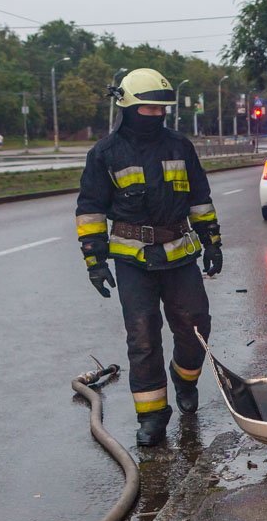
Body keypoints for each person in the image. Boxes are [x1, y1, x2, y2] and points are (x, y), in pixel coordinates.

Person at [74, 68, 224, 446]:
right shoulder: (104, 154)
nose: (157, 115)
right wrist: (95, 262)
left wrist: (212, 242)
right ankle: (153, 416)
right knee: (142, 338)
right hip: (133, 262)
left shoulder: (180, 147)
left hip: (179, 256)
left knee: (196, 327)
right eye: (149, 109)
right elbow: (90, 210)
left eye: (162, 109)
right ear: (127, 107)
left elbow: (200, 198)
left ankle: (185, 379)